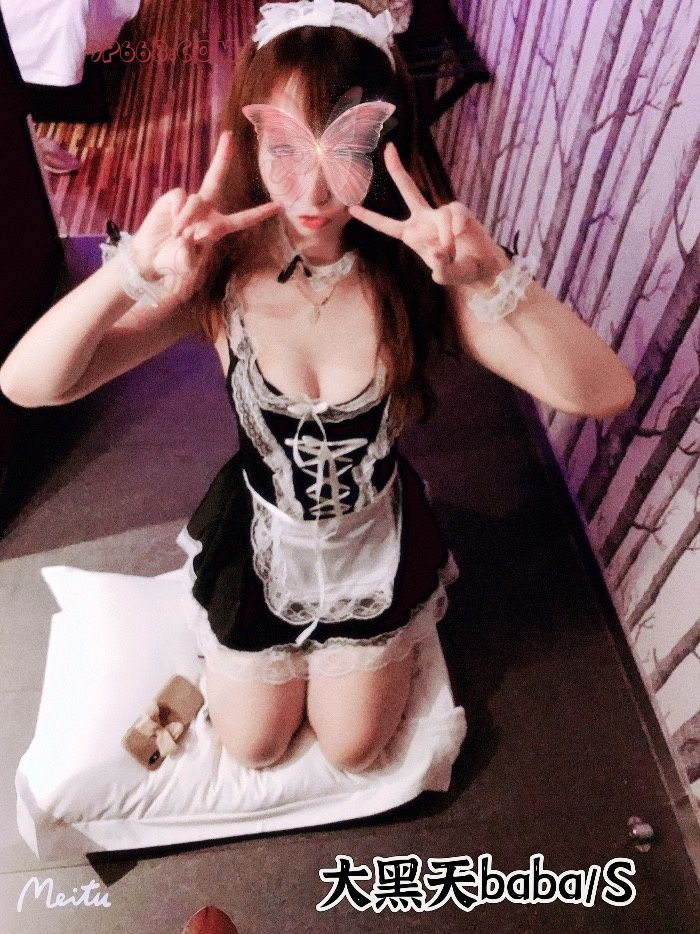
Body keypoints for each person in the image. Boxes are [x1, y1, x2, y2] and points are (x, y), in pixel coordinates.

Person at [0, 0, 635, 775]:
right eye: (284, 144)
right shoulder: (216, 278)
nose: (313, 185)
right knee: (254, 744)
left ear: (384, 143)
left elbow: (603, 392)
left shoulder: (418, 280)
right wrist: (132, 269)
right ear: (250, 140)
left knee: (355, 749)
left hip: (372, 540)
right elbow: (27, 384)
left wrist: (496, 275)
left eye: (345, 143)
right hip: (264, 536)